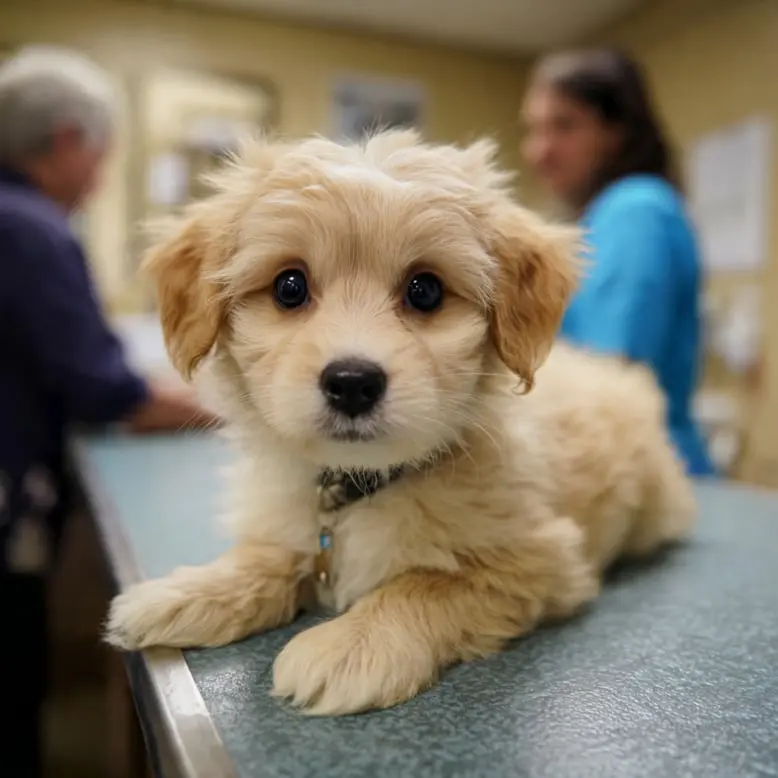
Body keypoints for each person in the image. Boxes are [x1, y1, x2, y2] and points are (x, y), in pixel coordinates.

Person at [0, 46, 215, 776]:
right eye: (100, 157)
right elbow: (108, 391)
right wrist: (225, 406)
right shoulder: (31, 228)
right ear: (66, 140)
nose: (98, 178)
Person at [521, 47, 715, 477]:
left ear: (617, 131)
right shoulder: (604, 218)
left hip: (646, 470)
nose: (538, 151)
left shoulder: (635, 209)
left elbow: (610, 374)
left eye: (563, 126)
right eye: (533, 129)